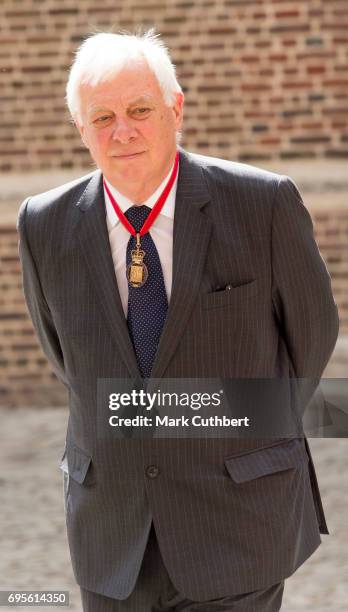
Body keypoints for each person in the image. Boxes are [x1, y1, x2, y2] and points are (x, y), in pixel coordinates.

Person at [17, 30, 339, 612]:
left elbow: (309, 344)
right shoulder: (43, 224)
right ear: (81, 128)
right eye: (103, 117)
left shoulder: (261, 205)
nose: (124, 131)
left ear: (176, 107)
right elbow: (65, 357)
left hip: (237, 522)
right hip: (112, 534)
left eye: (140, 110)